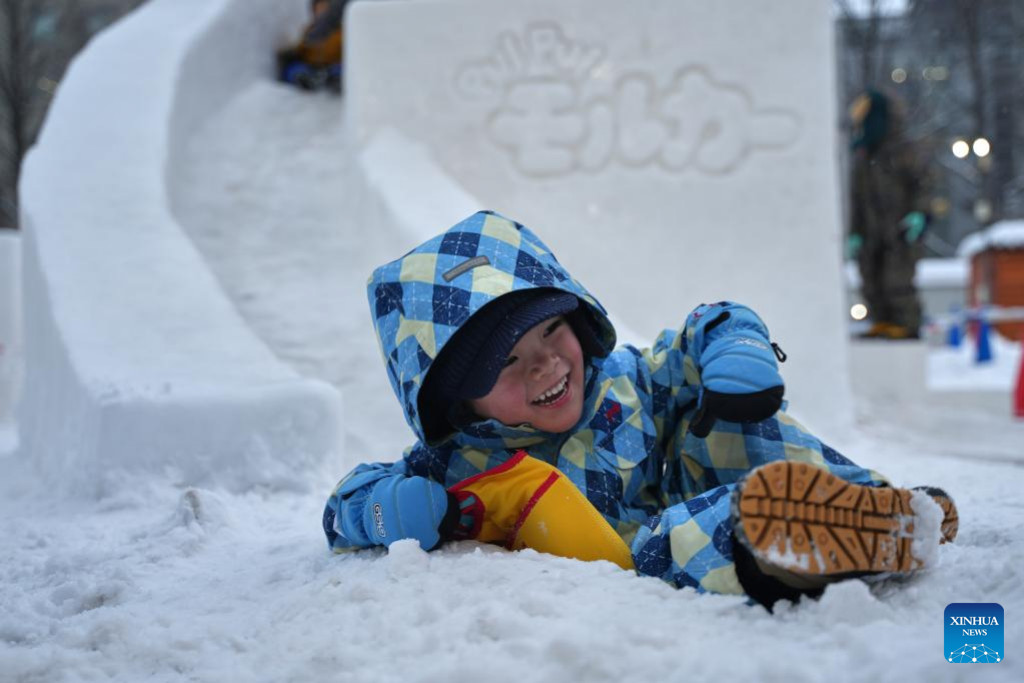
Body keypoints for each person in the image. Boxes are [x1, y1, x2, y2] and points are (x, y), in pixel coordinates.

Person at [323, 210, 958, 611]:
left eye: (551, 334)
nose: (546, 365)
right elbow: (346, 502)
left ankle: (873, 505)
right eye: (507, 365)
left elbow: (701, 330)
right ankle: (782, 541)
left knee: (733, 421)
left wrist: (736, 343)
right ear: (454, 399)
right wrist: (387, 510)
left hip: (702, 471)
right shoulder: (460, 464)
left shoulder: (628, 379)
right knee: (674, 542)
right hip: (651, 548)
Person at [848, 89, 933, 340]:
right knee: (871, 279)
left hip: (900, 231)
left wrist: (919, 213)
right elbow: (858, 200)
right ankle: (882, 320)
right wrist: (855, 232)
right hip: (871, 233)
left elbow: (923, 185)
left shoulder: (904, 151)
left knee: (897, 280)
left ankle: (905, 323)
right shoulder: (864, 157)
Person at [277, 0, 348, 92]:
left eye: (324, 8)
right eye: (318, 8)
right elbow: (302, 48)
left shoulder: (339, 30)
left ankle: (334, 81)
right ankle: (305, 80)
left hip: (331, 66)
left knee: (339, 70)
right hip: (312, 66)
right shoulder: (310, 30)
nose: (321, 11)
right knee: (294, 68)